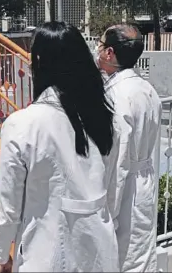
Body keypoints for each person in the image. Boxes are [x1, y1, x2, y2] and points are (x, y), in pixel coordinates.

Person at [0, 21, 120, 272]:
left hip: (46, 253)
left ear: (38, 62)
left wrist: (1, 255)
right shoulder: (103, 117)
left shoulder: (22, 124)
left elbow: (7, 205)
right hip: (100, 249)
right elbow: (109, 188)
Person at [96, 24, 162, 272]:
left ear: (109, 52)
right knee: (142, 253)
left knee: (124, 258)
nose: (98, 50)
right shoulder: (147, 89)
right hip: (144, 183)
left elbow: (118, 162)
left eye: (101, 45)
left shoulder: (117, 97)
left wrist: (107, 215)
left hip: (125, 192)